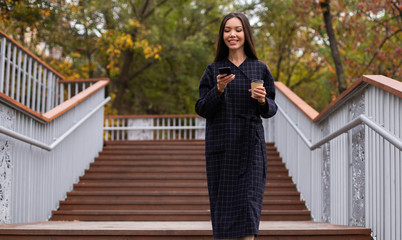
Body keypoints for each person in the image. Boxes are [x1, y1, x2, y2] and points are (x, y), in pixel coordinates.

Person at [195, 12, 277, 240]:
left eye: (238, 30)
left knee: (249, 204)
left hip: (251, 146)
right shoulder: (213, 70)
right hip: (222, 147)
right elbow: (201, 108)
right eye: (227, 30)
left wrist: (262, 100)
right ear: (222, 35)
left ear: (246, 34)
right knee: (224, 206)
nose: (232, 34)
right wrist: (218, 90)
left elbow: (271, 108)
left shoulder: (259, 68)